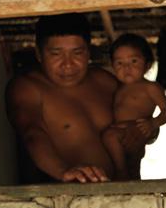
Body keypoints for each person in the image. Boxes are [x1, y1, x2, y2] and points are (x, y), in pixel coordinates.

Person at [6, 13, 119, 183]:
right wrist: (63, 172)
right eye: (56, 54)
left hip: (127, 195)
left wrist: (144, 132)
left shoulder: (106, 82)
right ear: (39, 54)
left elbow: (141, 123)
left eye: (77, 53)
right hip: (66, 200)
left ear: (88, 52)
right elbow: (33, 133)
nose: (68, 64)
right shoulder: (27, 88)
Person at [102, 33, 166, 180]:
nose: (127, 68)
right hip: (120, 130)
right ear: (112, 66)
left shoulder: (150, 87)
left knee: (131, 163)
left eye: (134, 61)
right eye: (119, 63)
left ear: (147, 65)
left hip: (139, 131)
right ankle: (122, 173)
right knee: (111, 139)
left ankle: (122, 173)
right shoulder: (118, 87)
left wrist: (153, 123)